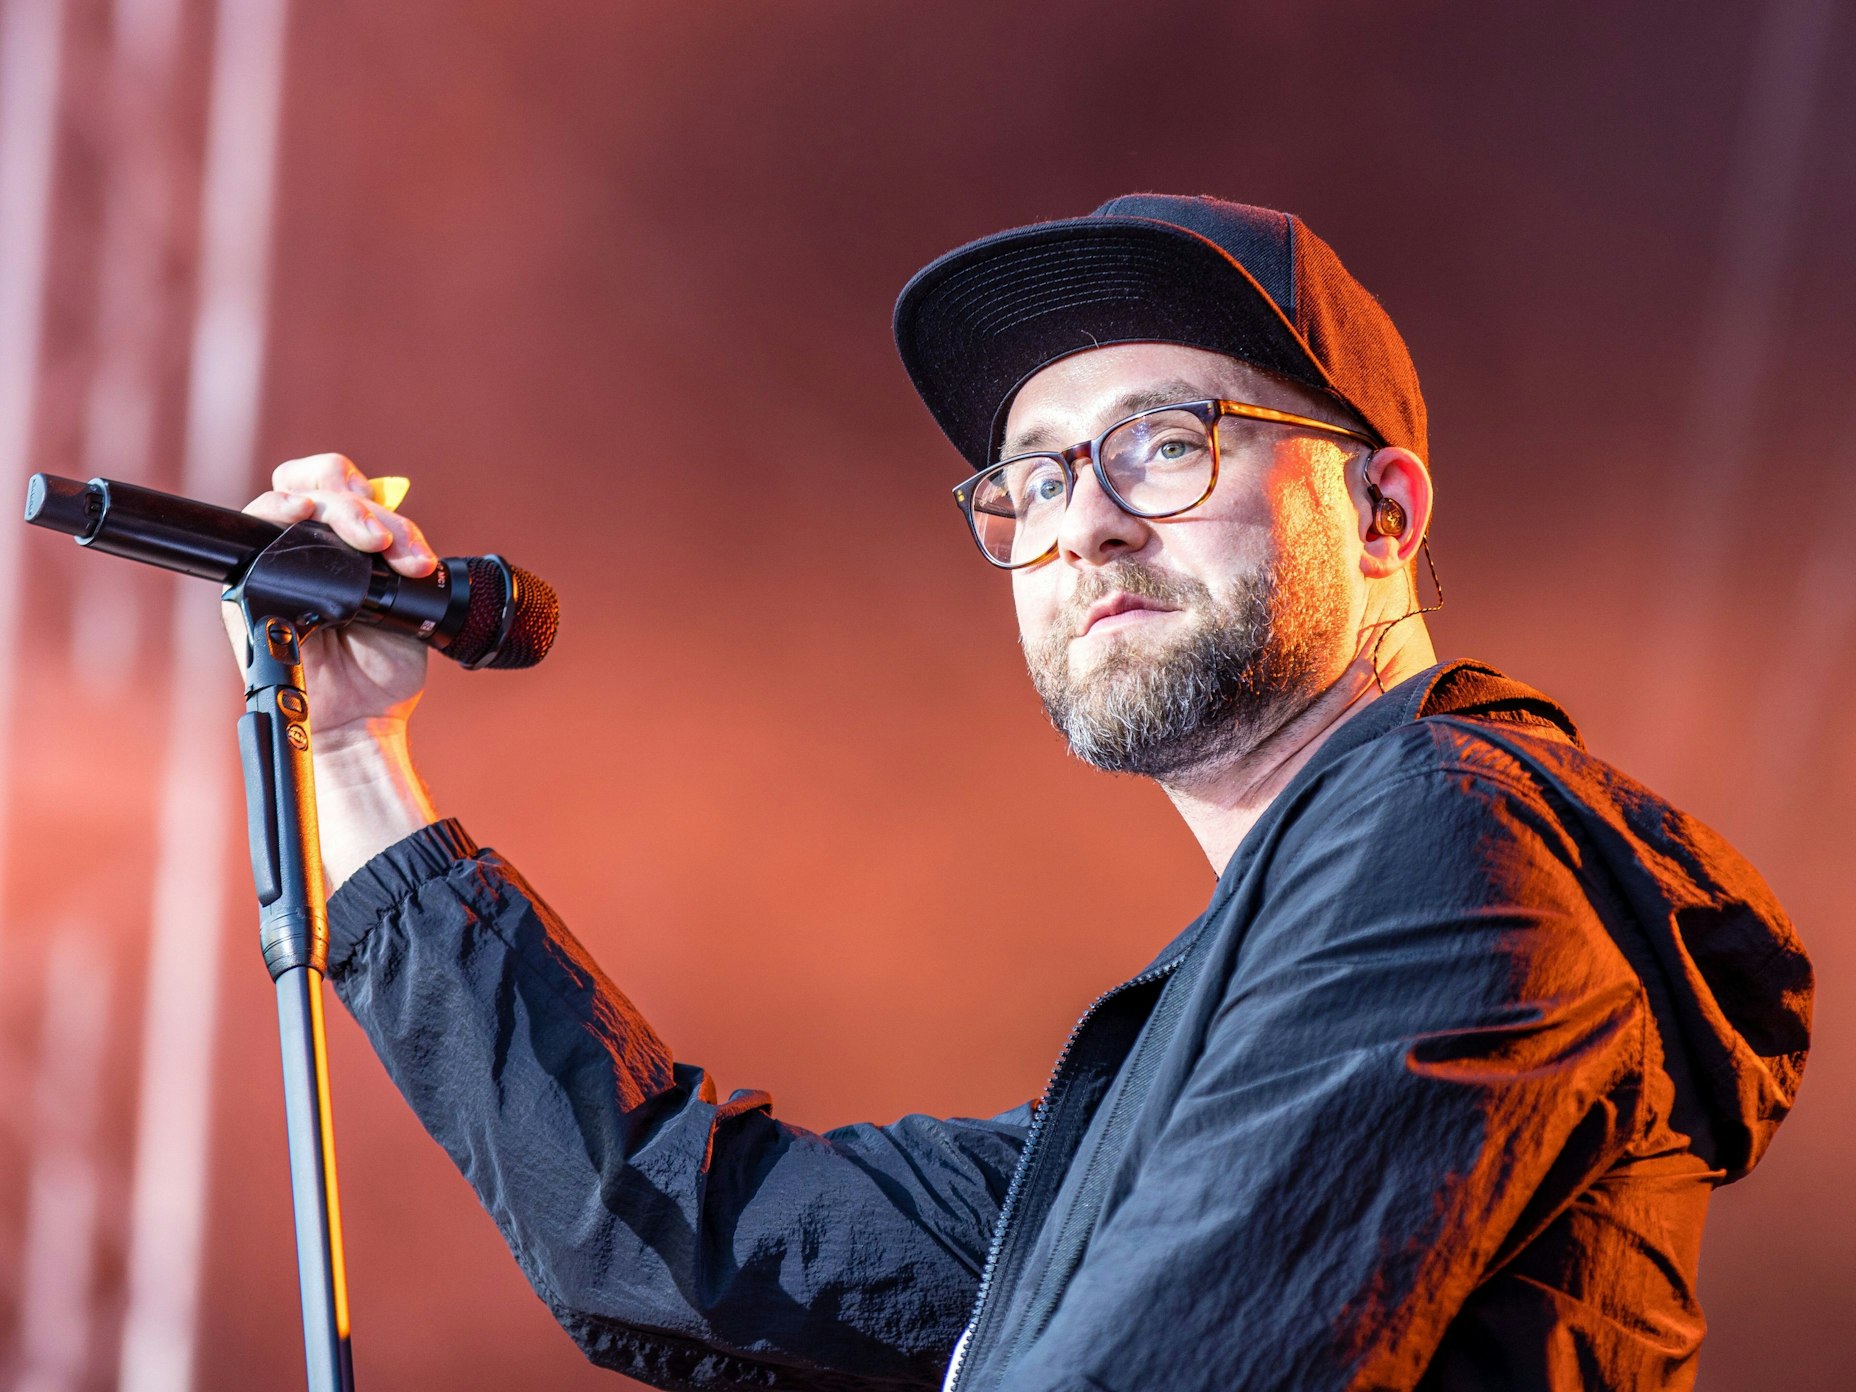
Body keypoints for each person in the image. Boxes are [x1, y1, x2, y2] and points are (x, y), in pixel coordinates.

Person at [235, 195, 1812, 1391]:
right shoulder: (1198, 1057)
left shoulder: (1459, 839)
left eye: (1164, 444)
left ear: (1383, 509)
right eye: (1038, 476)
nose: (1086, 526)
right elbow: (683, 1244)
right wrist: (354, 754)